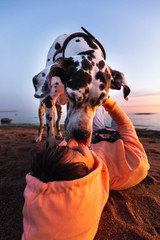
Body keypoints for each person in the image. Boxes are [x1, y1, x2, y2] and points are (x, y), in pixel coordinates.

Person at [22, 97, 150, 240]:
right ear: (91, 173)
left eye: (61, 147)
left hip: (95, 131)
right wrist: (109, 103)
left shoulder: (65, 159)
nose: (70, 141)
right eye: (77, 150)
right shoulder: (133, 165)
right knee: (103, 107)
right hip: (119, 134)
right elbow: (125, 125)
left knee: (88, 102)